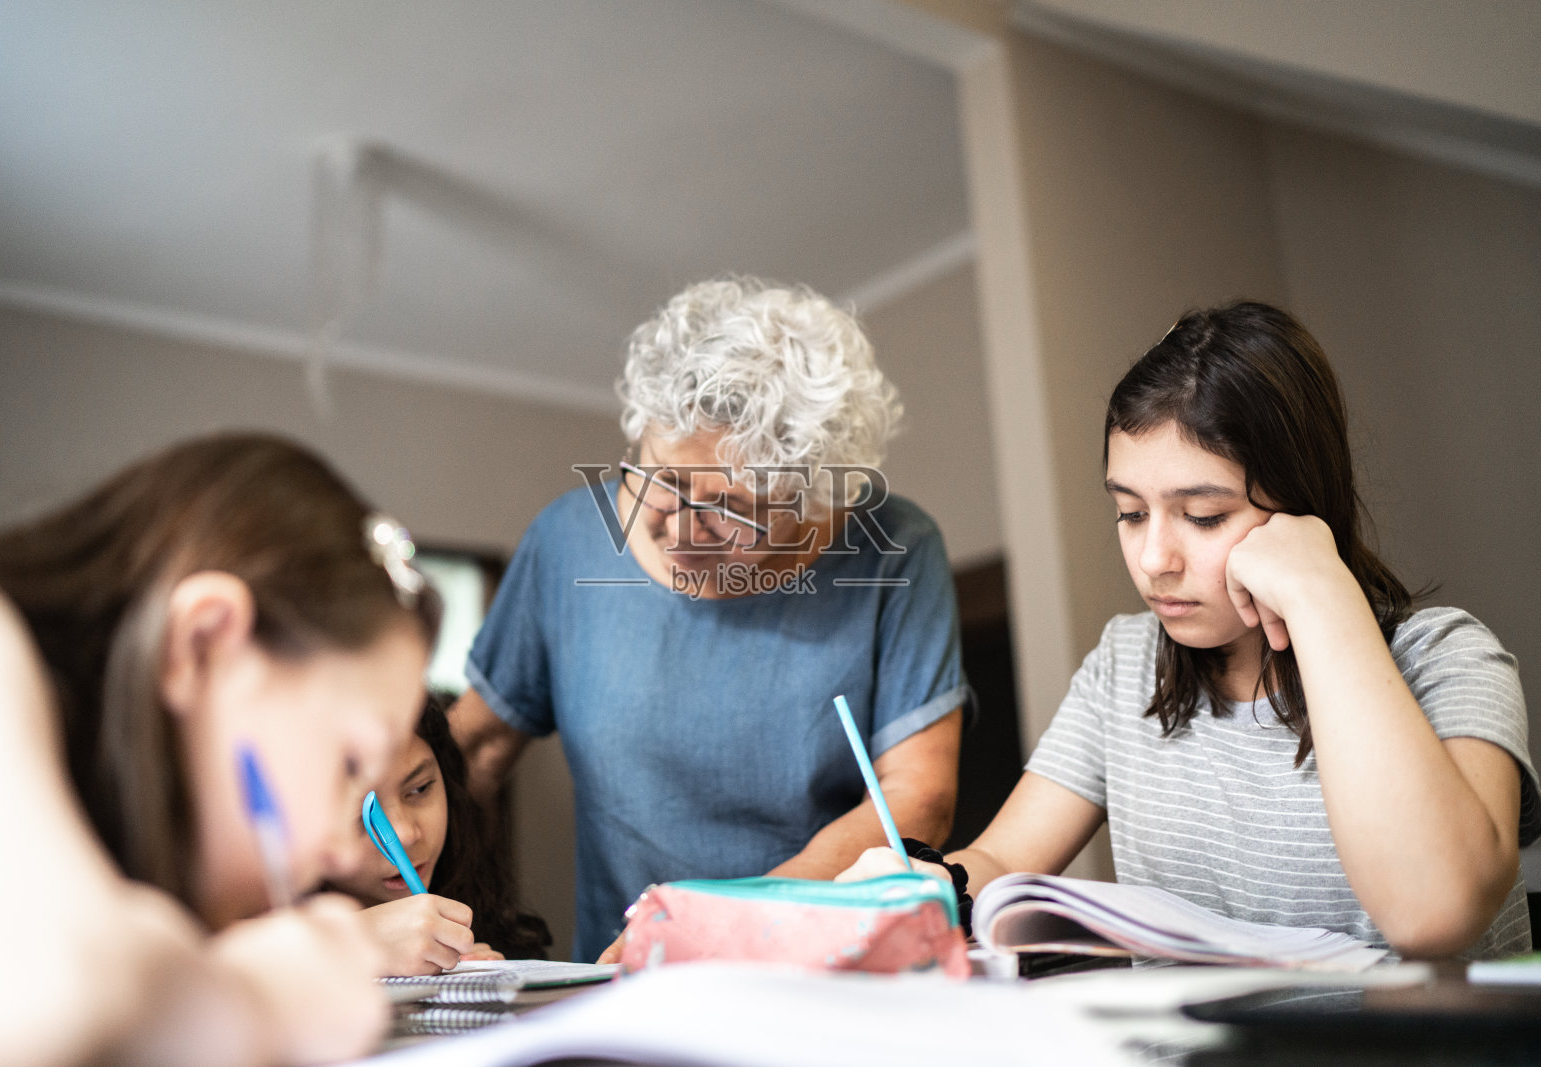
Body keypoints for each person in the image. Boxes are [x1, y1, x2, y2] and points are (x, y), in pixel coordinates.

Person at [840, 300, 1538, 960]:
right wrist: (928, 882)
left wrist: (1321, 592)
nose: (1153, 560)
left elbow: (1435, 913)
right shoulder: (1124, 662)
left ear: (1303, 508)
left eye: (1203, 517)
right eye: (1130, 512)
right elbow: (1001, 857)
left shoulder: (1448, 657)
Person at [448, 276, 969, 962]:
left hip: (824, 967)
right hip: (626, 977)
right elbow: (474, 751)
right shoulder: (567, 542)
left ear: (815, 501)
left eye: (729, 507)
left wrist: (723, 925)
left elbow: (918, 795)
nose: (679, 526)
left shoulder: (893, 548)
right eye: (659, 480)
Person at [0, 433, 441, 1066]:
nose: (343, 850)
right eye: (347, 764)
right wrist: (264, 1000)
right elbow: (42, 1003)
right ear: (204, 643)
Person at [327, 694, 551, 974]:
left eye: (419, 789)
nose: (405, 834)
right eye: (361, 810)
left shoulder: (496, 933)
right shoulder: (274, 957)